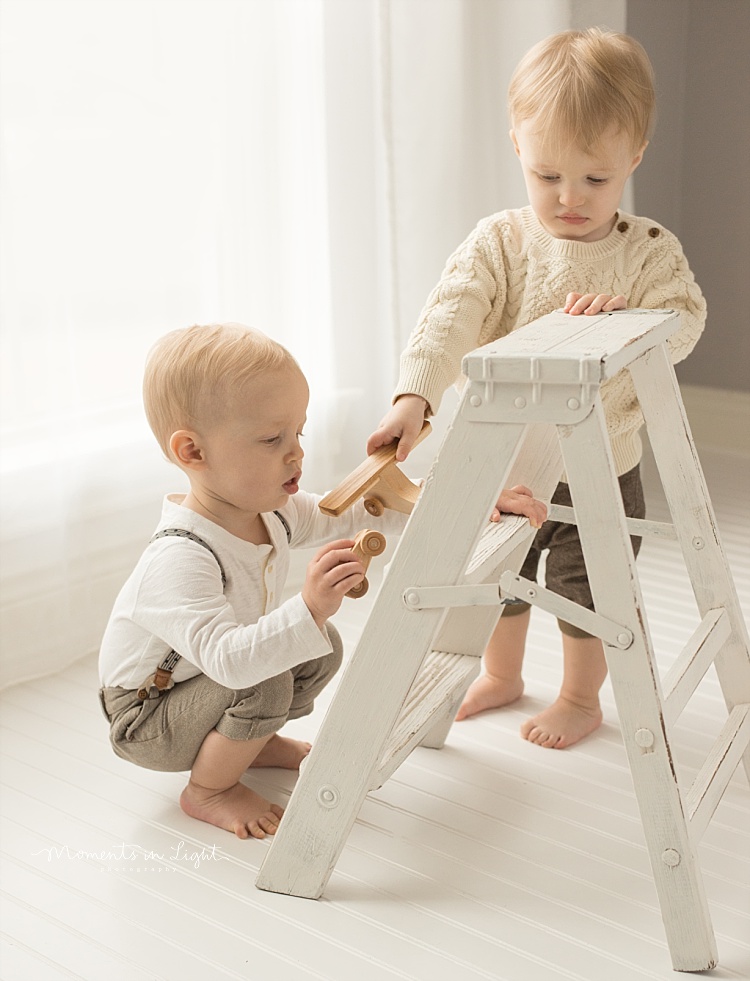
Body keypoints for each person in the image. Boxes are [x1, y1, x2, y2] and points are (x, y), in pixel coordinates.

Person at [367, 28, 706, 750]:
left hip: (597, 469)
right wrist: (414, 397)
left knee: (586, 588)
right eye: (549, 175)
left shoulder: (647, 251)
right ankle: (504, 673)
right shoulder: (501, 242)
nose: (571, 197)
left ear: (632, 160)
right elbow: (449, 315)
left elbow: (685, 322)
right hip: (505, 463)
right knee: (501, 571)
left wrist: (636, 318)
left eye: (595, 179)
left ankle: (580, 697)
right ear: (518, 146)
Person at [98, 323, 411, 840]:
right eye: (272, 439)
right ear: (193, 453)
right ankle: (209, 790)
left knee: (319, 647)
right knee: (267, 672)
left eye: (298, 433)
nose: (296, 454)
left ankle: (250, 740)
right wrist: (308, 606)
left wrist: (448, 500)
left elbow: (358, 512)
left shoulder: (271, 511)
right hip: (147, 718)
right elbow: (229, 660)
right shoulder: (180, 557)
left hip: (198, 686)